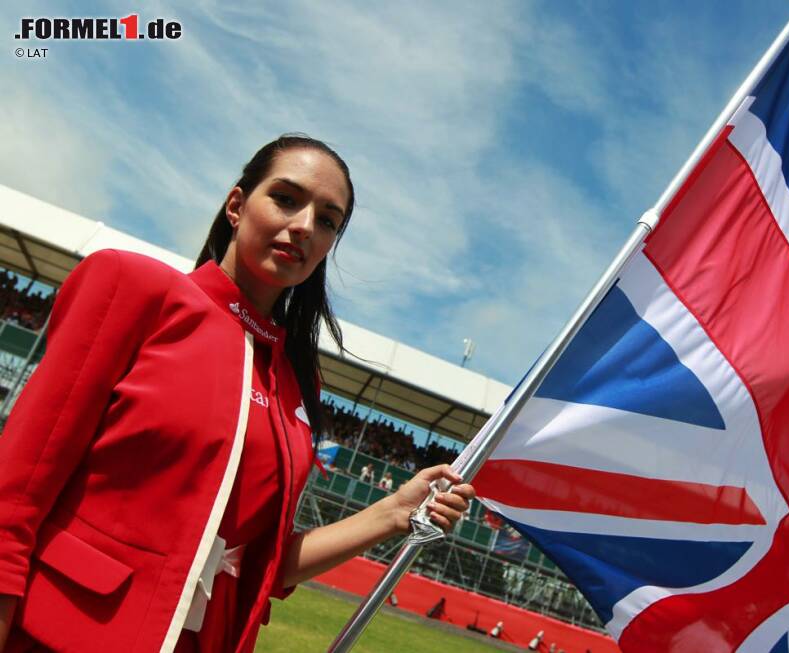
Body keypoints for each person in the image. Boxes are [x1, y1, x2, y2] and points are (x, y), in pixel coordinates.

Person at [0, 134, 475, 653]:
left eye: (327, 221)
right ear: (236, 204)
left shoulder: (295, 384)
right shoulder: (133, 287)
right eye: (287, 198)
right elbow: (16, 492)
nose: (304, 227)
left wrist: (391, 513)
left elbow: (259, 566)